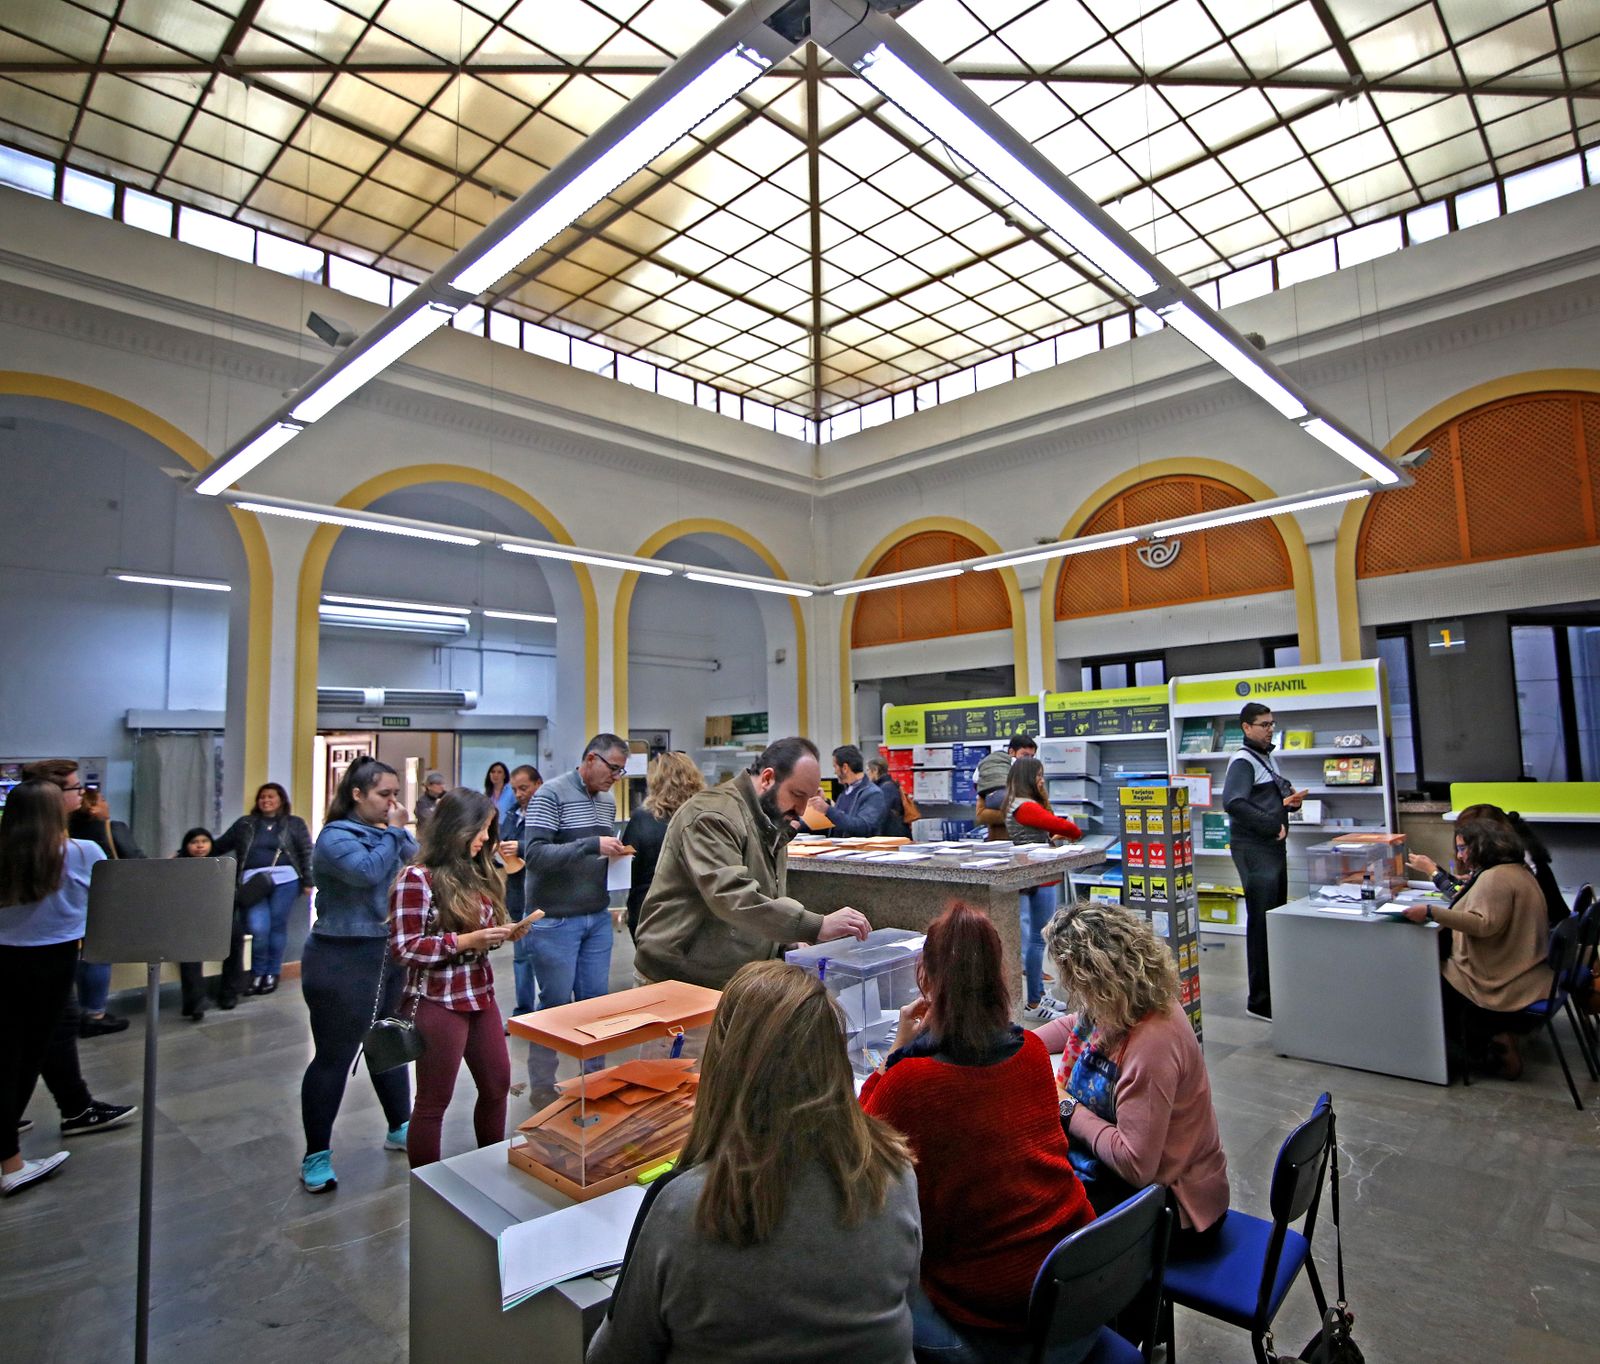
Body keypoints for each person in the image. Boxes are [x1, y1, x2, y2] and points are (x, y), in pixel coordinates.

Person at [587, 960, 921, 1364]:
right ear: (833, 1059)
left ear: (723, 1062)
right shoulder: (895, 1172)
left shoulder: (684, 1206)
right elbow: (907, 1299)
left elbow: (613, 1356)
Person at [861, 904, 1095, 1361]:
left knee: (870, 1291)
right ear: (998, 976)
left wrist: (895, 1054)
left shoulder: (910, 1083)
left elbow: (857, 1137)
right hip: (1079, 1283)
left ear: (926, 981)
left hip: (994, 1315)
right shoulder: (1029, 1051)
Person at [1038, 901, 1229, 1233]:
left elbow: (1135, 1164)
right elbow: (1078, 1024)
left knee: (1038, 1208)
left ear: (1092, 978)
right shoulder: (1125, 1003)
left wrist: (1067, 1106)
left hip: (1178, 1210)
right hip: (1149, 1187)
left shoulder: (1152, 1042)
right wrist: (1023, 1045)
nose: (1065, 988)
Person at [632, 737, 871, 992]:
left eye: (809, 798)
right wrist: (814, 926)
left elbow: (765, 896)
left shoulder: (770, 820)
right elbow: (732, 897)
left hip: (729, 978)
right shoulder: (712, 816)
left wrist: (785, 942)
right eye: (797, 795)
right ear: (767, 779)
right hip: (680, 981)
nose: (802, 811)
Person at [2, 780, 137, 1197]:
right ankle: (10, 1165)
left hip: (4, 959)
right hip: (53, 961)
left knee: (9, 1055)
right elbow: (110, 897)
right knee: (28, 1058)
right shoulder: (81, 851)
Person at [390, 789, 537, 1168]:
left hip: (479, 994)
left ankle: (489, 1168)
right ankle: (427, 1185)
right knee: (433, 1101)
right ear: (457, 828)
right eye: (481, 830)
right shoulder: (416, 878)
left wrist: (504, 933)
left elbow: (480, 933)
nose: (486, 839)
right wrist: (465, 940)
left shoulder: (475, 873)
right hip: (439, 1000)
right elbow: (405, 949)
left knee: (497, 1085)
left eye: (488, 829)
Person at [300, 756, 415, 1194]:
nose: (392, 803)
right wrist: (397, 833)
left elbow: (418, 867)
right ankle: (316, 1154)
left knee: (389, 1042)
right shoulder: (335, 837)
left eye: (394, 795)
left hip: (387, 954)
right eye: (384, 795)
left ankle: (399, 1126)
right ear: (357, 794)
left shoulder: (388, 834)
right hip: (341, 956)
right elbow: (366, 873)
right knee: (335, 1055)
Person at [520, 735, 633, 1101]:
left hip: (595, 916)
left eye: (621, 770)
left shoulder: (606, 801)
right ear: (589, 759)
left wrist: (614, 855)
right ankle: (541, 1087)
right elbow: (534, 854)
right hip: (555, 919)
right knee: (554, 1005)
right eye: (612, 768)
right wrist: (591, 845)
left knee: (596, 1007)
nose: (616, 776)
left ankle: (595, 1084)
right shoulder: (550, 795)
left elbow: (592, 853)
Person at [1402, 816, 1553, 1079]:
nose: (1459, 856)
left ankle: (1485, 1049)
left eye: (1462, 848)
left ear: (1482, 846)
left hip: (1499, 976)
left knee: (1427, 981)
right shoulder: (1516, 870)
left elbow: (1483, 924)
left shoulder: (1495, 878)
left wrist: (1430, 911)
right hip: (1525, 967)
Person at [1222, 704, 1306, 1020]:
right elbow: (1233, 801)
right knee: (1261, 922)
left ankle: (1273, 993)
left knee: (1272, 920)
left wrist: (1288, 805)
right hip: (1255, 850)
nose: (1270, 729)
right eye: (1263, 724)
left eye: (1272, 723)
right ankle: (1260, 1001)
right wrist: (1272, 825)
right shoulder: (1243, 761)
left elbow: (1261, 800)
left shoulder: (1266, 758)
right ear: (1246, 728)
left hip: (1269, 849)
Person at [212, 782, 313, 997]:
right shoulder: (245, 824)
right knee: (259, 927)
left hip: (286, 880)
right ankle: (257, 973)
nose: (266, 801)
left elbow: (306, 851)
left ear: (281, 800)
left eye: (271, 797)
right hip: (254, 882)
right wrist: (188, 849)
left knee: (277, 925)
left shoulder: (294, 823)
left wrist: (308, 881)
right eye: (262, 797)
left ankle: (271, 973)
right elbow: (220, 845)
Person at [1003, 755, 1082, 1012]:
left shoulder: (1015, 804)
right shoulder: (1026, 807)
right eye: (1039, 776)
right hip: (1040, 877)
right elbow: (1068, 828)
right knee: (1038, 941)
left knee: (1036, 939)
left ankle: (1037, 995)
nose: (1042, 780)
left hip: (1030, 874)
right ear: (1030, 778)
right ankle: (1035, 1002)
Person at [1409, 803, 1570, 928]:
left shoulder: (1505, 867)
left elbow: (1460, 897)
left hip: (1534, 942)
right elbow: (1466, 890)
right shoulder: (1515, 854)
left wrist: (1432, 871)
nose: (1460, 854)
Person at [66, 786, 143, 1035]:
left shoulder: (68, 831)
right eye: (103, 799)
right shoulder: (113, 828)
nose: (107, 804)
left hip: (75, 901)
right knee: (99, 956)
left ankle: (79, 1011)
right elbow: (137, 860)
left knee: (81, 956)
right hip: (108, 900)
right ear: (94, 806)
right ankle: (96, 1012)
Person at [621, 752, 703, 940]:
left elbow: (629, 868)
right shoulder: (704, 815)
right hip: (695, 908)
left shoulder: (642, 819)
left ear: (656, 780)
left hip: (650, 911)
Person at [501, 764, 543, 1017]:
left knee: (546, 960)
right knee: (521, 959)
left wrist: (521, 847)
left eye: (524, 788)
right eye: (515, 789)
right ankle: (523, 1010)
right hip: (518, 894)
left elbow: (550, 847)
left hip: (543, 896)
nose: (519, 794)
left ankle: (547, 1010)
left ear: (538, 784)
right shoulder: (511, 815)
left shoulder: (548, 815)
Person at [171, 828, 215, 1020]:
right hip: (184, 921)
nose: (199, 845)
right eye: (194, 842)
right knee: (190, 948)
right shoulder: (176, 866)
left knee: (236, 934)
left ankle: (229, 993)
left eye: (204, 841)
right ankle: (195, 1003)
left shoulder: (218, 865)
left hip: (211, 919)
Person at [808, 744, 887, 837]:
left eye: (835, 767)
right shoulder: (845, 793)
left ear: (845, 768)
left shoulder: (873, 794)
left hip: (858, 850)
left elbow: (864, 827)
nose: (834, 772)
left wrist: (827, 809)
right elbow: (837, 824)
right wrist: (823, 804)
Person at [975, 732, 1036, 841]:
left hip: (1028, 842)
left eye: (1032, 756)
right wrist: (1019, 816)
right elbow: (981, 816)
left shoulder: (1035, 778)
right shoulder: (991, 782)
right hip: (1001, 842)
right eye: (1025, 755)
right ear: (1012, 752)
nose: (1029, 760)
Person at [866, 757, 911, 839]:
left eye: (868, 770)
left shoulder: (885, 788)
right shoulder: (888, 785)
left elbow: (881, 813)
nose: (867, 774)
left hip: (892, 835)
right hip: (894, 834)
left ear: (875, 770)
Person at [484, 761, 516, 827]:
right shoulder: (486, 793)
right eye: (493, 772)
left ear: (504, 775)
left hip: (508, 828)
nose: (495, 775)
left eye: (499, 772)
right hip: (492, 828)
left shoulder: (512, 790)